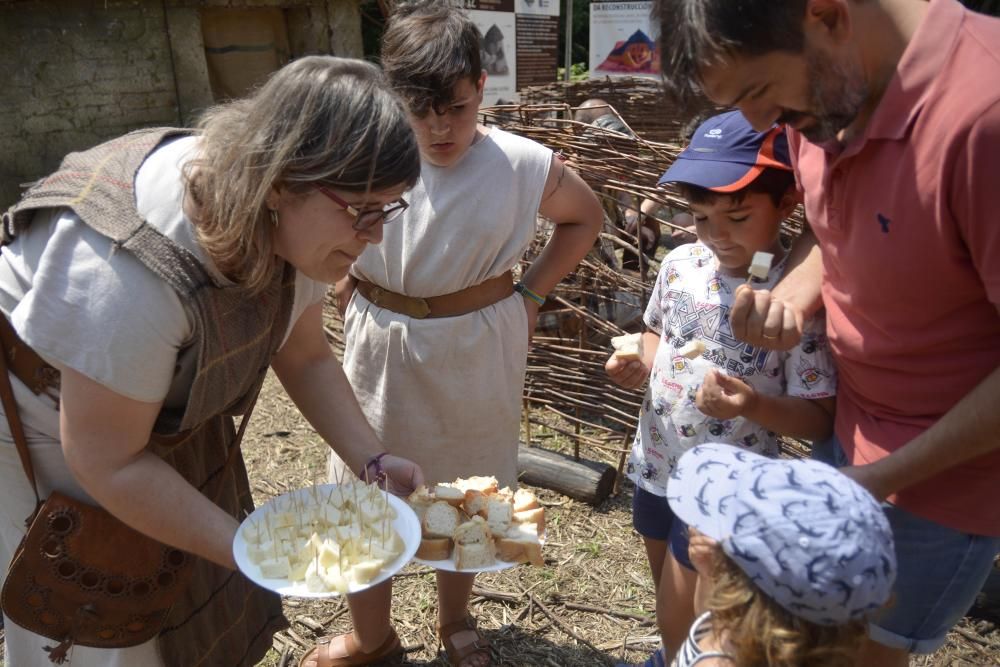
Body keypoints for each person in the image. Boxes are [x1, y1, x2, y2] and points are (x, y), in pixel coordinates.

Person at [0, 56, 425, 667]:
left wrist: (373, 459)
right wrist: (263, 553)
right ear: (281, 181)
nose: (377, 235)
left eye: (392, 207)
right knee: (98, 604)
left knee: (193, 586)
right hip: (49, 408)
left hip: (145, 401)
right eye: (364, 210)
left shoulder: (296, 218)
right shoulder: (131, 270)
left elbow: (303, 353)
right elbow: (105, 458)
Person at [651, 1, 1000, 665]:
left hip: (940, 478)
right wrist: (793, 295)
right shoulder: (823, 96)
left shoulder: (985, 116)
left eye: (757, 92)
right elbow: (830, 220)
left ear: (827, 13)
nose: (760, 126)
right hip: (847, 441)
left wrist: (878, 478)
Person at [313, 3, 603, 667]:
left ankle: (456, 617)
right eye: (422, 110)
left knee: (465, 488)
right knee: (367, 483)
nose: (442, 127)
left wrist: (531, 292)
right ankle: (370, 634)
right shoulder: (361, 155)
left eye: (459, 107)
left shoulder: (520, 163)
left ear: (481, 85)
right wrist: (344, 278)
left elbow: (583, 218)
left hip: (478, 349)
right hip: (379, 347)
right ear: (393, 97)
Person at [606, 111, 837, 666]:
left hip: (727, 487)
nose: (716, 235)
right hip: (657, 460)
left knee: (699, 607)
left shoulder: (792, 300)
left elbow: (820, 417)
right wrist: (640, 361)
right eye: (701, 216)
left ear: (785, 205)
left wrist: (753, 404)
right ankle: (671, 655)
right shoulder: (681, 264)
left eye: (737, 216)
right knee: (663, 575)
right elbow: (658, 335)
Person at [664, 443, 896, 667]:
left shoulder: (715, 662)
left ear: (740, 589)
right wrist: (708, 576)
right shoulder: (816, 647)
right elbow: (715, 621)